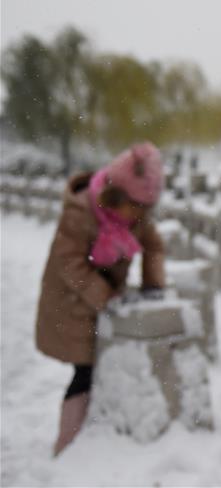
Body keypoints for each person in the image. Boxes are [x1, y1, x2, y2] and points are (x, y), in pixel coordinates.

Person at [34, 142, 166, 455]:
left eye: (144, 211)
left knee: (100, 366)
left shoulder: (136, 218)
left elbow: (155, 246)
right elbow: (70, 265)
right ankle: (68, 444)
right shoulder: (80, 213)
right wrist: (105, 295)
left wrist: (152, 284)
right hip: (71, 303)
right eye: (134, 208)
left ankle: (92, 438)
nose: (138, 218)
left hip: (102, 303)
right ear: (115, 196)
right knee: (85, 369)